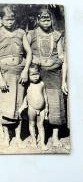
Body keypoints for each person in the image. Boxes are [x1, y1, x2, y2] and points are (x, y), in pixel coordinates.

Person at [27, 8, 68, 147]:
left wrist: (63, 81)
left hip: (54, 75)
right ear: (38, 20)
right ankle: (36, 136)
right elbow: (25, 53)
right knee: (37, 104)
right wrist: (34, 58)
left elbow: (63, 59)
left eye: (48, 19)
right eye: (43, 19)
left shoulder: (57, 35)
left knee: (55, 105)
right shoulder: (31, 34)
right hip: (37, 76)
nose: (46, 21)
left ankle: (55, 137)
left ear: (52, 21)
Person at [0, 6, 32, 147]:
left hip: (19, 74)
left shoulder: (21, 33)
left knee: (18, 105)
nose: (10, 22)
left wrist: (25, 70)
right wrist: (0, 77)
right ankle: (5, 137)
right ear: (2, 20)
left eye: (12, 19)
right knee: (4, 106)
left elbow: (29, 53)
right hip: (4, 74)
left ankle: (18, 137)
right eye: (7, 19)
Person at [19, 63, 48, 150]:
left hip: (42, 109)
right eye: (32, 75)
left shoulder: (42, 84)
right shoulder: (27, 85)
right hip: (32, 108)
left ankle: (42, 143)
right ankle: (34, 141)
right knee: (32, 124)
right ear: (28, 75)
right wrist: (23, 105)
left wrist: (47, 107)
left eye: (37, 74)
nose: (35, 76)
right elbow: (25, 96)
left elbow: (45, 96)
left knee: (41, 125)